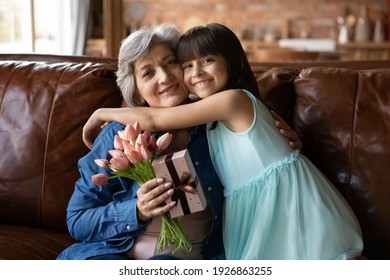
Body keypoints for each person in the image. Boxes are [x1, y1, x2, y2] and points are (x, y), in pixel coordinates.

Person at [83, 23, 364, 260]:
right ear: (136, 90)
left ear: (232, 62)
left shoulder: (224, 106)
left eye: (172, 64)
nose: (192, 73)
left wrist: (99, 113)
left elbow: (157, 120)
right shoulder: (123, 134)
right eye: (188, 65)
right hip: (250, 219)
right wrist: (135, 210)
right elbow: (80, 218)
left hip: (283, 209)